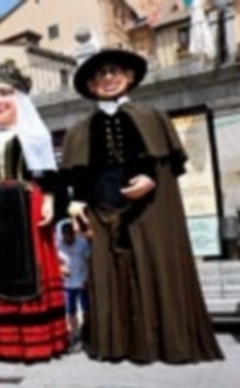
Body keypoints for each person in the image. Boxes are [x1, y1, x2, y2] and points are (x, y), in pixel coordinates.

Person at [61, 37, 224, 363]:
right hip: (103, 212)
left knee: (154, 271)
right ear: (91, 84)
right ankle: (116, 344)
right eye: (100, 74)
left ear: (130, 77)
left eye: (114, 71)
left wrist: (150, 177)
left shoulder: (152, 116)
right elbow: (77, 174)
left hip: (148, 210)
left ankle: (164, 343)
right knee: (110, 278)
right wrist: (77, 204)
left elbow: (167, 163)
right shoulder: (80, 129)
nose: (108, 78)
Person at [0, 59, 67, 363]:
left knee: (31, 270)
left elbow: (48, 176)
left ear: (19, 98)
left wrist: (49, 198)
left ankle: (38, 341)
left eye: (4, 93)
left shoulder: (36, 136)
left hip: (27, 205)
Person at [56, 220, 90, 351]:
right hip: (68, 283)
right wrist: (61, 268)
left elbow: (88, 260)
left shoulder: (82, 243)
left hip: (82, 280)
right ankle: (75, 336)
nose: (68, 239)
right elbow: (57, 260)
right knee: (71, 311)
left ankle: (86, 334)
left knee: (86, 309)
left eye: (70, 235)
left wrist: (87, 278)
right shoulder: (59, 245)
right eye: (65, 236)